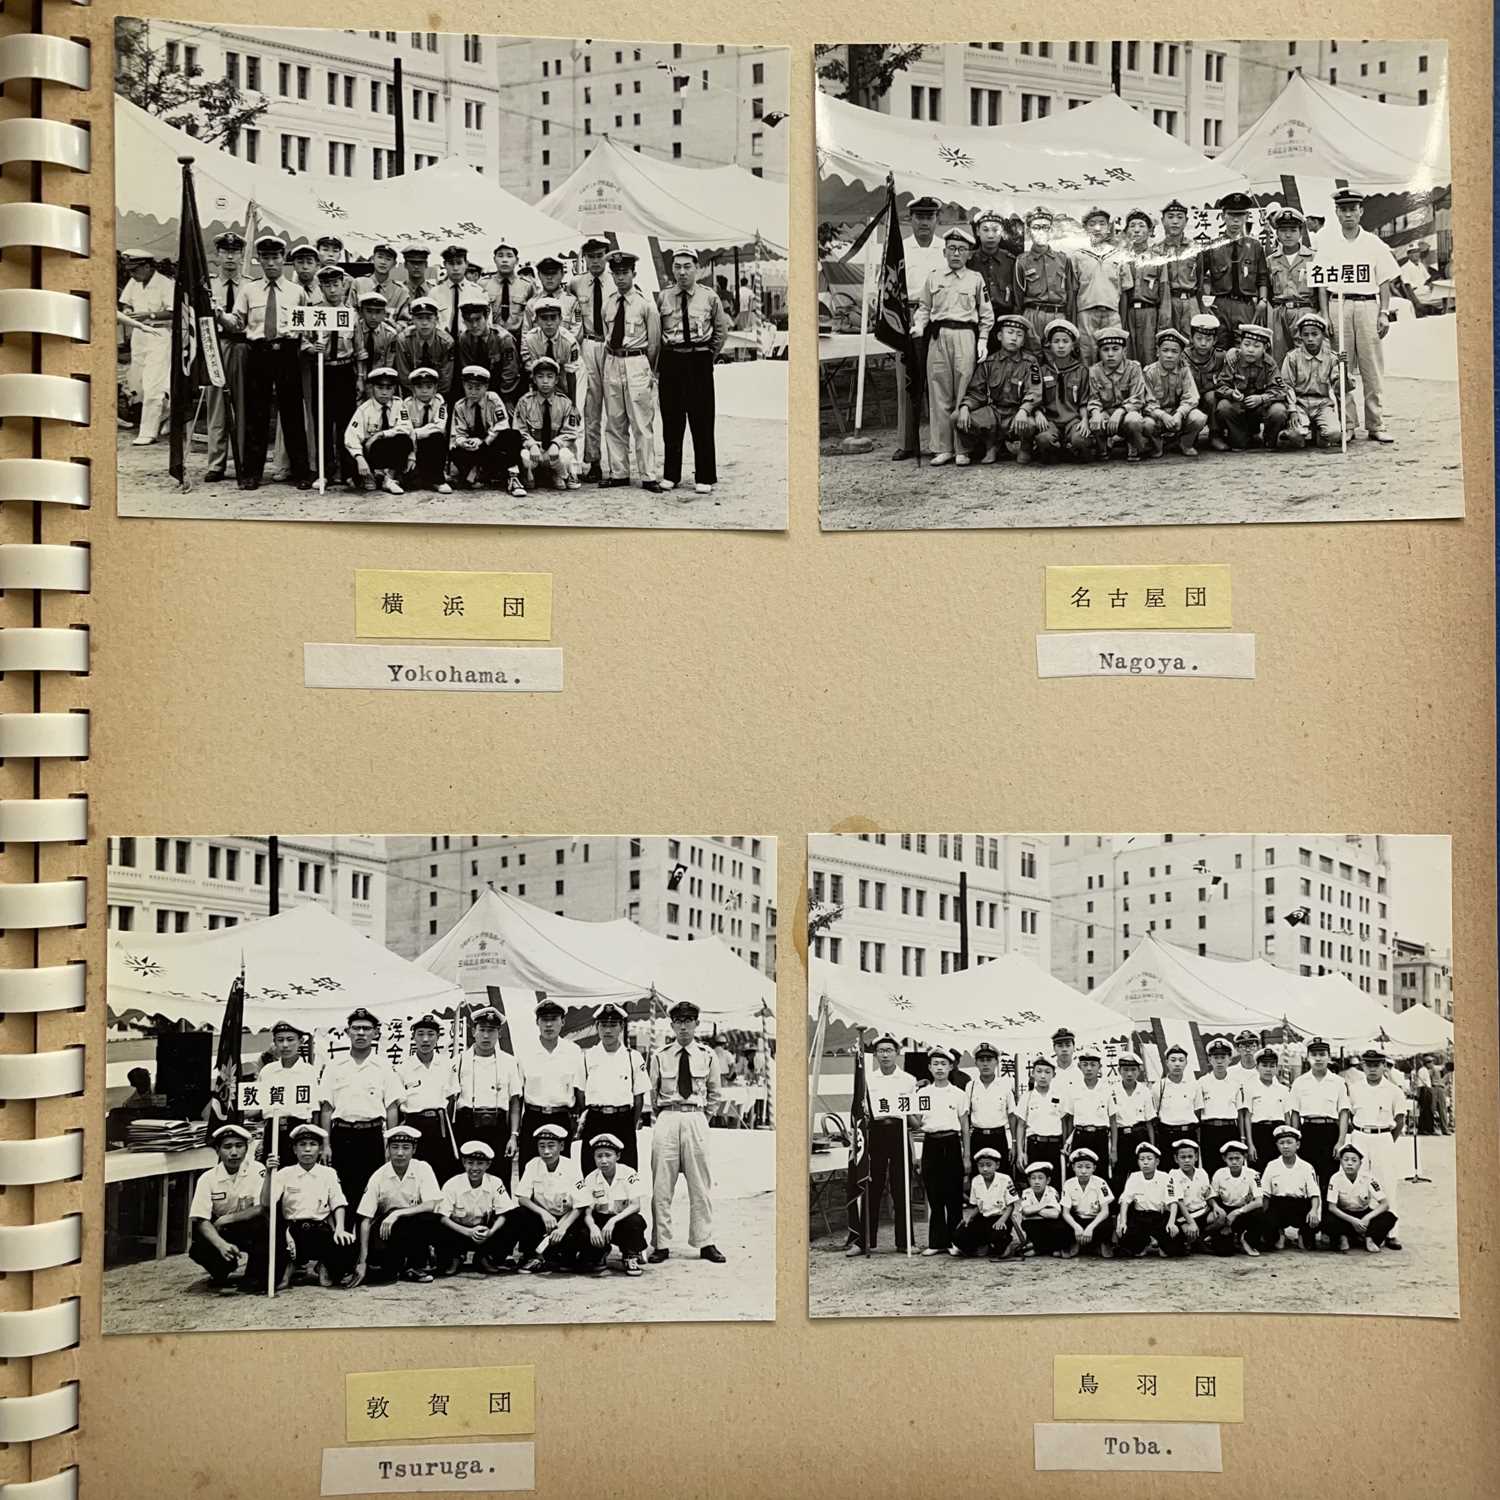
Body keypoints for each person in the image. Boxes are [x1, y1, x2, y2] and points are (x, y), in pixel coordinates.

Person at [1313, 186, 1401, 444]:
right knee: (1341, 367)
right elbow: (1321, 282)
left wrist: (1383, 312)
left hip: (1367, 306)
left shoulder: (1374, 243)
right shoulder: (1327, 243)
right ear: (1336, 213)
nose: (1348, 214)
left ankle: (1376, 423)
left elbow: (1384, 281)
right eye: (1343, 210)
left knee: (1371, 367)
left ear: (1361, 211)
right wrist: (1323, 313)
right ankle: (1347, 423)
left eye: (1353, 209)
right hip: (1338, 304)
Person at [229, 235, 311, 489]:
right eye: (266, 258)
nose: (271, 263)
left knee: (292, 414)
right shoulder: (249, 290)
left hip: (287, 352)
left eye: (276, 257)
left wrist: (308, 343)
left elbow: (306, 326)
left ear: (282, 260)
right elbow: (237, 323)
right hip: (258, 352)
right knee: (256, 413)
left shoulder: (297, 292)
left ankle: (301, 472)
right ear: (259, 260)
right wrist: (219, 314)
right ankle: (252, 473)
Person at [649, 998, 725, 1264]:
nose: (683, 1027)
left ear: (696, 1024)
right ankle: (661, 1244)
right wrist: (667, 1116)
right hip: (668, 1118)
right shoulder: (660, 1056)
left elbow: (715, 1093)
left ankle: (705, 1242)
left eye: (688, 1022)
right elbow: (652, 1092)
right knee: (661, 1185)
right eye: (678, 1022)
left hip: (695, 1118)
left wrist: (702, 1117)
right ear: (672, 1024)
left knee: (700, 1185)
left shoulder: (707, 1055)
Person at [911, 225, 993, 469]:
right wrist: (919, 326)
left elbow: (986, 313)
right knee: (938, 392)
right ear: (944, 252)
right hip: (939, 336)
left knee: (963, 392)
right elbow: (924, 307)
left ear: (969, 254)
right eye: (952, 249)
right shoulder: (934, 277)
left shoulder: (976, 279)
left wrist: (983, 339)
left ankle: (962, 448)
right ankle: (942, 448)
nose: (956, 254)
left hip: (965, 336)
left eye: (962, 249)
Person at [656, 248, 731, 495]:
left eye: (687, 266)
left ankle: (705, 476)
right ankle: (671, 475)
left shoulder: (709, 297)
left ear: (697, 269)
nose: (682, 272)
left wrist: (709, 355)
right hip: (672, 361)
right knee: (671, 420)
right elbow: (658, 331)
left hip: (699, 359)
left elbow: (720, 330)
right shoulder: (664, 298)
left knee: (702, 419)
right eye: (677, 267)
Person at [317, 1007, 402, 1213]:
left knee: (371, 1190)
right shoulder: (335, 1066)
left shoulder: (383, 1066)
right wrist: (326, 1144)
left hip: (371, 1136)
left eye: (366, 1028)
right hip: (342, 1135)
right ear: (347, 1032)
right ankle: (344, 1238)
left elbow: (391, 1108)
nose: (361, 1033)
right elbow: (326, 1108)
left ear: (375, 1033)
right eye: (356, 1028)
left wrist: (391, 1143)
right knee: (341, 1190)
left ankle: (367, 1240)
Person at [263, 1122, 357, 1290]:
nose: (307, 1149)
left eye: (313, 1144)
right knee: (269, 1270)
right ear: (294, 1149)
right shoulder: (284, 1173)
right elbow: (266, 1203)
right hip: (292, 1232)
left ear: (320, 1149)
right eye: (302, 1145)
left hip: (320, 1230)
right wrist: (269, 1174)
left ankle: (323, 1264)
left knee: (348, 1246)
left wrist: (340, 1228)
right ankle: (291, 1265)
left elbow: (338, 1202)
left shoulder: (328, 1173)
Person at [599, 250, 663, 492]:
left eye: (625, 272)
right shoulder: (609, 303)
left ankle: (648, 475)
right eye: (616, 273)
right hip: (613, 362)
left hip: (636, 361)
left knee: (641, 421)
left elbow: (654, 343)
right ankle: (619, 472)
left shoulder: (646, 305)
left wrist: (649, 371)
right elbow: (607, 332)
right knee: (615, 420)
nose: (620, 278)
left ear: (634, 273)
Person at [349, 1124, 442, 1286]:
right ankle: (393, 1264)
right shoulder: (379, 1176)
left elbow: (431, 1204)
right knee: (387, 1275)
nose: (400, 1153)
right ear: (388, 1150)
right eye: (395, 1147)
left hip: (411, 1223)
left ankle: (416, 1264)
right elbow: (365, 1219)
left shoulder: (422, 1168)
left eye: (406, 1147)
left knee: (429, 1217)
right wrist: (362, 1260)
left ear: (414, 1149)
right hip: (386, 1230)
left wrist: (397, 1213)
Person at [853, 1033, 919, 1256]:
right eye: (881, 1051)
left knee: (901, 1187)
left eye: (889, 1050)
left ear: (897, 1053)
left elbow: (914, 1116)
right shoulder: (868, 1079)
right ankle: (864, 1242)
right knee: (873, 1185)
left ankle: (906, 1241)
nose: (885, 1055)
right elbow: (862, 1109)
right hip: (877, 1133)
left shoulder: (908, 1080)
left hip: (899, 1131)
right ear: (876, 1054)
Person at [891, 195, 946, 460]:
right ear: (910, 219)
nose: (924, 222)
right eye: (919, 217)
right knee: (907, 383)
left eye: (929, 217)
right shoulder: (900, 249)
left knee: (938, 382)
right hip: (909, 315)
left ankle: (940, 443)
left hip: (938, 317)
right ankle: (907, 443)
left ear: (938, 219)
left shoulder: (947, 249)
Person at [187, 1123, 268, 1288]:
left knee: (263, 1227)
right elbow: (201, 1219)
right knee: (199, 1248)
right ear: (217, 1151)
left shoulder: (257, 1170)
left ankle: (254, 1274)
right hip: (222, 1231)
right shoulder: (207, 1178)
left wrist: (227, 1218)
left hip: (248, 1227)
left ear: (246, 1148)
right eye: (227, 1147)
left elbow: (261, 1207)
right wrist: (221, 1245)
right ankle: (222, 1270)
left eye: (239, 1146)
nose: (234, 1153)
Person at [956, 313, 1042, 465]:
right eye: (1010, 333)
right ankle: (991, 445)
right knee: (957, 417)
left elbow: (1034, 391)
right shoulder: (988, 362)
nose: (1014, 338)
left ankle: (1025, 447)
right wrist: (965, 407)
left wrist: (1024, 410)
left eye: (1019, 335)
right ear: (999, 336)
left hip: (1017, 412)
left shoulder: (1030, 362)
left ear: (1023, 341)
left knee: (1030, 424)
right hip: (994, 412)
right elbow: (976, 392)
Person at [557, 1133, 647, 1276]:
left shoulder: (628, 1173)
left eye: (608, 1155)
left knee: (635, 1221)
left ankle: (631, 1255)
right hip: (600, 1221)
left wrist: (613, 1220)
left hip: (620, 1221)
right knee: (585, 1233)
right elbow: (587, 1211)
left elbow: (636, 1205)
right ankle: (600, 1253)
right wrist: (593, 1228)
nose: (603, 1160)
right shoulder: (591, 1178)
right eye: (599, 1156)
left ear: (617, 1156)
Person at [306, 265, 361, 487]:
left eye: (336, 284)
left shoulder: (352, 313)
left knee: (346, 423)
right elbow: (303, 341)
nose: (332, 290)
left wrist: (360, 377)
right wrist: (312, 347)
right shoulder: (313, 311)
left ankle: (348, 472)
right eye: (327, 285)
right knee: (323, 422)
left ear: (343, 285)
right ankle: (324, 472)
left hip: (345, 370)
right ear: (320, 287)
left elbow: (359, 349)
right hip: (323, 369)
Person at [453, 1004, 523, 1177]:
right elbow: (450, 1103)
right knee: (467, 1177)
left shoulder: (509, 1062)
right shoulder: (458, 1061)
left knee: (499, 1176)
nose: (486, 1035)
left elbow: (515, 1102)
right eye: (482, 1029)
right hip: (467, 1126)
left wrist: (513, 1136)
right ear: (473, 1032)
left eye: (491, 1030)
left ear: (499, 1033)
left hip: (498, 1128)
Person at [1344, 1047, 1407, 1233]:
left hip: (1383, 1137)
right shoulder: (1354, 1089)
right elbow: (1348, 1116)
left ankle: (1391, 1233)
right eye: (1368, 1065)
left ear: (1384, 1066)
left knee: (1386, 1182)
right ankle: (1358, 1231)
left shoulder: (1394, 1091)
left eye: (1376, 1065)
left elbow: (1400, 1119)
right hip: (1360, 1136)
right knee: (1357, 1184)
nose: (1372, 1069)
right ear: (1362, 1066)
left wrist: (1386, 1139)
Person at [435, 1140, 520, 1275]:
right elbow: (443, 1218)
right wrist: (468, 1232)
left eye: (480, 1163)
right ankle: (455, 1257)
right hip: (458, 1232)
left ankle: (484, 1257)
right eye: (470, 1163)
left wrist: (491, 1232)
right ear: (463, 1163)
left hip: (484, 1233)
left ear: (488, 1164)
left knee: (514, 1217)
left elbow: (504, 1213)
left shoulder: (495, 1182)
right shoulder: (452, 1184)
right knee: (436, 1223)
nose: (474, 1168)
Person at [117, 251, 176, 448]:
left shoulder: (165, 284)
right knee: (137, 384)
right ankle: (168, 412)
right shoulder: (134, 282)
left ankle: (147, 432)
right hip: (139, 336)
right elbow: (126, 302)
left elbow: (173, 311)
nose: (132, 274)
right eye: (130, 271)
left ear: (148, 266)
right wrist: (127, 311)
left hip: (159, 335)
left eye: (135, 270)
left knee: (153, 385)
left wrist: (148, 316)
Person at [579, 1001, 645, 1173]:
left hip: (623, 1120)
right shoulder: (587, 1056)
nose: (608, 1030)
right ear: (597, 1026)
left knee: (627, 1170)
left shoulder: (633, 1058)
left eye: (613, 1025)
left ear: (621, 1026)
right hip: (595, 1120)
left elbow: (638, 1098)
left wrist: (629, 1122)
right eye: (603, 1025)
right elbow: (580, 1093)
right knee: (591, 1171)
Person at [518, 999, 585, 1168]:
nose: (549, 1025)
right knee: (529, 1168)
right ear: (537, 1022)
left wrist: (578, 1122)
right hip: (533, 1117)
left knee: (563, 1171)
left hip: (561, 1117)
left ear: (562, 1022)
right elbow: (517, 1094)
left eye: (554, 1019)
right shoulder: (525, 1050)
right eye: (544, 1020)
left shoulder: (573, 1051)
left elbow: (580, 1091)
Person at [914, 1047, 967, 1254]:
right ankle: (936, 1242)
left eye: (943, 1064)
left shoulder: (958, 1094)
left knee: (953, 1196)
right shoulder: (923, 1093)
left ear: (951, 1067)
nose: (939, 1068)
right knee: (934, 1195)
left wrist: (966, 1155)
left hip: (952, 1143)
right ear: (929, 1067)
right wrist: (905, 1110)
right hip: (931, 1144)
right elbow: (918, 1124)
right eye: (935, 1064)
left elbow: (964, 1127)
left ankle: (956, 1241)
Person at [568, 237, 613, 481]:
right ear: (584, 258)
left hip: (611, 346)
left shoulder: (616, 280)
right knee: (591, 407)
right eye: (591, 256)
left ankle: (618, 463)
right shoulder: (577, 284)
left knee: (616, 408)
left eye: (600, 255)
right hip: (588, 344)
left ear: (607, 255)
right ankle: (593, 461)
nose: (596, 261)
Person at [514, 1123, 585, 1273]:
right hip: (544, 1219)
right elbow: (522, 1197)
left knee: (565, 1260)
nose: (546, 1151)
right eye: (542, 1146)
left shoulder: (572, 1166)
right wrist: (543, 1213)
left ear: (561, 1146)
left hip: (567, 1219)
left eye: (551, 1146)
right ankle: (531, 1256)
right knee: (520, 1214)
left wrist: (563, 1227)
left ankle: (560, 1256)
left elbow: (581, 1204)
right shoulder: (533, 1165)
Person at [204, 231, 246, 480]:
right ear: (217, 255)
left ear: (242, 256)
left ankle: (242, 461)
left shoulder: (251, 285)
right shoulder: (208, 285)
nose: (230, 256)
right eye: (225, 252)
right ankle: (216, 464)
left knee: (242, 405)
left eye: (235, 252)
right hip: (216, 345)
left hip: (241, 346)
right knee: (216, 405)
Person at [1202, 192, 1270, 348]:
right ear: (1223, 216)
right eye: (1231, 215)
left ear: (1246, 217)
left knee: (1245, 349)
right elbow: (1200, 278)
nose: (1235, 220)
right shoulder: (1213, 247)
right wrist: (1204, 304)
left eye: (1240, 215)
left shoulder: (1255, 246)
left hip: (1245, 305)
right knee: (1218, 349)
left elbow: (1262, 277)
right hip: (1219, 304)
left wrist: (1263, 301)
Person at [397, 1015, 458, 1181]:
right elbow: (398, 1104)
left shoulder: (446, 1065)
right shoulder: (403, 1068)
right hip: (414, 1125)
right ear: (413, 1037)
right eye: (420, 1034)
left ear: (438, 1037)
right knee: (416, 1173)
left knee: (443, 1172)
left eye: (431, 1034)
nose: (425, 1039)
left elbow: (451, 1098)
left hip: (440, 1126)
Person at [450, 365, 526, 496]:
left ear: (486, 387)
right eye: (469, 387)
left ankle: (512, 476)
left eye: (478, 388)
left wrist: (484, 441)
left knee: (511, 435)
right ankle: (482, 472)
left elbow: (502, 423)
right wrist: (465, 443)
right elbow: (458, 434)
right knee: (456, 452)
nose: (473, 392)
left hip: (490, 444)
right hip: (474, 449)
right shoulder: (460, 406)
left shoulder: (493, 399)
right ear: (463, 386)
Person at [1280, 311, 1350, 451]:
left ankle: (1318, 433)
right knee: (1296, 436)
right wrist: (1292, 410)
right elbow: (1286, 385)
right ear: (1300, 336)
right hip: (1300, 403)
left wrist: (1344, 369)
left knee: (1334, 434)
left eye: (1315, 334)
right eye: (1305, 335)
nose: (1310, 339)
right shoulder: (1292, 357)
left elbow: (1341, 388)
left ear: (1323, 336)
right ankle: (1298, 432)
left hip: (1322, 404)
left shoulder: (1331, 358)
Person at [1288, 1036, 1349, 1195]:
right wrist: (1296, 1138)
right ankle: (1310, 1214)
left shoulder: (1338, 1082)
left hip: (1330, 1131)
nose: (1319, 1058)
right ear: (1307, 1058)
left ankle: (1328, 1216)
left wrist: (1341, 1140)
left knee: (1330, 1177)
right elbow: (1295, 1113)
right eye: (1314, 1054)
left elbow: (1343, 1112)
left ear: (1329, 1057)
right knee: (1308, 1175)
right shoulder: (1300, 1082)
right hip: (1307, 1131)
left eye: (1322, 1054)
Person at [1215, 324, 1291, 450]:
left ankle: (1269, 439)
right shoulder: (1233, 361)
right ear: (1240, 345)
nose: (1250, 349)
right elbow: (1220, 385)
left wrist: (1262, 398)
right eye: (1246, 344)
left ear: (1265, 348)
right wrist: (1231, 393)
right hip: (1239, 406)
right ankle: (1240, 438)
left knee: (1279, 411)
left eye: (1256, 346)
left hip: (1262, 407)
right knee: (1223, 406)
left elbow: (1281, 390)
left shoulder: (1269, 364)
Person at [513, 356, 582, 492]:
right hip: (535, 452)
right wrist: (531, 444)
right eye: (540, 376)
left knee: (565, 456)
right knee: (524, 456)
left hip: (554, 453)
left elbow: (571, 432)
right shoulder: (525, 402)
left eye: (550, 377)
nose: (545, 381)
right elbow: (519, 429)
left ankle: (559, 474)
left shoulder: (565, 403)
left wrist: (556, 444)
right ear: (534, 379)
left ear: (556, 380)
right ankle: (530, 475)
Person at [1070, 207, 1128, 366]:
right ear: (1085, 228)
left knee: (1113, 356)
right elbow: (1073, 291)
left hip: (1112, 313)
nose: (1097, 228)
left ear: (1109, 228)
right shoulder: (1077, 255)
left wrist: (1122, 318)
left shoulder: (1119, 254)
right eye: (1092, 224)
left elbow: (1124, 292)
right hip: (1086, 312)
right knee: (1087, 355)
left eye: (1102, 224)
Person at [343, 366, 414, 495]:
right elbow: (351, 436)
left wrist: (380, 434)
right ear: (372, 389)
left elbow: (406, 428)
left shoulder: (399, 405)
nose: (384, 392)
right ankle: (369, 476)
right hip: (370, 453)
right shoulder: (364, 409)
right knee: (351, 454)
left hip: (385, 449)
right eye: (380, 388)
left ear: (394, 389)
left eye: (389, 388)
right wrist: (360, 459)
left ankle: (389, 478)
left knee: (404, 440)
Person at [1014, 207, 1077, 352]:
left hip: (1058, 315)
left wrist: (1070, 321)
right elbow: (1018, 298)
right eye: (1036, 227)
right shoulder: (1022, 261)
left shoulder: (1063, 259)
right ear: (1029, 231)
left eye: (1045, 227)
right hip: (1032, 314)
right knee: (1032, 356)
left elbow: (1070, 292)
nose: (1041, 231)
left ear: (1051, 231)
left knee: (1057, 357)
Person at [1085, 326, 1151, 463]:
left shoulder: (1134, 368)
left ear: (1124, 351)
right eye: (1105, 349)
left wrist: (1120, 411)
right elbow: (1093, 399)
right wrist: (1096, 412)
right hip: (1106, 415)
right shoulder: (1094, 371)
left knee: (1134, 419)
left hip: (1127, 414)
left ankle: (1133, 445)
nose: (1110, 354)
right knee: (1095, 417)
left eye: (1115, 349)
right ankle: (1103, 448)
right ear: (1099, 352)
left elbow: (1138, 398)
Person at [1031, 319, 1093, 462]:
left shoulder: (1081, 371)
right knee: (1044, 439)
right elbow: (1035, 396)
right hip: (1051, 420)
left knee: (1081, 440)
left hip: (1073, 420)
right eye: (1056, 341)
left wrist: (1084, 420)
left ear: (1072, 346)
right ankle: (1059, 451)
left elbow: (1084, 401)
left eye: (1065, 341)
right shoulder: (1042, 370)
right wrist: (1038, 412)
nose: (1060, 346)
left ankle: (1071, 448)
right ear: (1049, 345)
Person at [256, 1019, 318, 1155]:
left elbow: (315, 1110)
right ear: (274, 1042)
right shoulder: (267, 1071)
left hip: (300, 1130)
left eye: (290, 1040)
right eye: (280, 1040)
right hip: (272, 1129)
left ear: (301, 1041)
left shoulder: (309, 1072)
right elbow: (257, 1106)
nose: (285, 1045)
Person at [1142, 328, 1207, 457]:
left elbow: (1191, 397)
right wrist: (1162, 415)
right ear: (1157, 352)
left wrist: (1179, 414)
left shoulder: (1184, 371)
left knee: (1198, 417)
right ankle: (1157, 446)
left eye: (1174, 351)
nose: (1169, 355)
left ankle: (1185, 444)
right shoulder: (1149, 372)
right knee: (1146, 424)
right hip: (1158, 418)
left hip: (1179, 418)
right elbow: (1146, 403)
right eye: (1165, 350)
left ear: (1181, 355)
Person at [1324, 1143, 1400, 1253]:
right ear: (1341, 1162)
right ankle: (1343, 1237)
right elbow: (1332, 1207)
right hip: (1345, 1216)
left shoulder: (1368, 1178)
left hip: (1363, 1214)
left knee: (1389, 1217)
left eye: (1354, 1160)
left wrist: (1367, 1218)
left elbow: (1384, 1204)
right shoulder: (1335, 1178)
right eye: (1346, 1160)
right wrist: (1353, 1221)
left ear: (1360, 1164)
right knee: (1326, 1218)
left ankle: (1370, 1238)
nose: (1349, 1163)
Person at [1257, 1123, 1321, 1251]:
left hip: (1299, 1206)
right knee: (1271, 1241)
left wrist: (1314, 1211)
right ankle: (1279, 1234)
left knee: (1307, 1246)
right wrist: (1263, 1217)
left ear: (1297, 1145)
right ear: (1277, 1146)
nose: (1285, 1146)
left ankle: (1303, 1234)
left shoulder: (1306, 1167)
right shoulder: (1272, 1165)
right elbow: (1265, 1194)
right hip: (1278, 1205)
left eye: (1289, 1142)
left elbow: (1314, 1193)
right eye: (1281, 1143)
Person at [1266, 207, 1318, 362]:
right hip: (1279, 313)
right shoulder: (1271, 260)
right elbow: (1268, 290)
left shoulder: (1313, 258)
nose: (1288, 235)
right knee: (1280, 357)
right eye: (1283, 230)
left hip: (1305, 310)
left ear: (1300, 232)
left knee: (1306, 356)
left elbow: (1321, 290)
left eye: (1293, 230)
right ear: (1277, 233)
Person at [454, 295, 523, 410]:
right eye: (469, 321)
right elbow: (466, 369)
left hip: (503, 392)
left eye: (478, 319)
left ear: (486, 317)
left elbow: (510, 374)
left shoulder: (503, 339)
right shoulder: (464, 339)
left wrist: (501, 398)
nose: (474, 325)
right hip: (475, 391)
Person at [950, 1146, 1020, 1258]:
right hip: (983, 1218)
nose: (985, 1169)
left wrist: (1002, 1220)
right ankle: (984, 1246)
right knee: (957, 1236)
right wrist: (969, 1217)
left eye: (989, 1165)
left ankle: (1006, 1243)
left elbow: (1011, 1205)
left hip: (1001, 1217)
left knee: (998, 1239)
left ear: (997, 1165)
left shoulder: (1005, 1179)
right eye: (981, 1165)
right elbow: (977, 1206)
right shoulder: (976, 1181)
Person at [1196, 1035, 1250, 1174]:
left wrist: (1242, 1137)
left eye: (1223, 1057)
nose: (1219, 1061)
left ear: (1230, 1059)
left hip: (1230, 1130)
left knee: (1232, 1168)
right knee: (1211, 1168)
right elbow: (1197, 1112)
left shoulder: (1236, 1083)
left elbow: (1240, 1113)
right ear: (1209, 1059)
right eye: (1215, 1057)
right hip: (1209, 1130)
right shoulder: (1202, 1082)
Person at [970, 208, 1021, 345]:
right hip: (976, 320)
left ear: (1002, 232)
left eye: (995, 230)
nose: (990, 235)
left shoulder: (1011, 261)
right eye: (985, 230)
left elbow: (1017, 296)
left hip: (1003, 321)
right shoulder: (969, 261)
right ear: (977, 232)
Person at [962, 1041, 1013, 1177]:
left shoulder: (1005, 1085)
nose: (985, 1064)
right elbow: (965, 1119)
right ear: (976, 1063)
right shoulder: (970, 1086)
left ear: (996, 1062)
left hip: (999, 1137)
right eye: (981, 1060)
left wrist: (1013, 1143)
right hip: (977, 1138)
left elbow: (1012, 1116)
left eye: (989, 1060)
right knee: (978, 1179)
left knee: (1002, 1178)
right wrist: (966, 1153)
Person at [1154, 198, 1204, 337]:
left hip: (1191, 302)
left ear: (1186, 221)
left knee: (1192, 342)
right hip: (1167, 303)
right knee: (1168, 340)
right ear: (1163, 220)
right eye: (1170, 217)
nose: (1175, 221)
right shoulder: (1156, 250)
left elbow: (1200, 281)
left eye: (1179, 217)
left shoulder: (1194, 248)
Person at [1108, 1051, 1154, 1197]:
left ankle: (1139, 1206)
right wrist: (1113, 1148)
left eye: (1133, 1070)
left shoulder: (1144, 1091)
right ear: (1119, 1071)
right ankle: (1118, 1212)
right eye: (1126, 1070)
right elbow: (1113, 1121)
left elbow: (1149, 1122)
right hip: (1121, 1137)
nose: (1129, 1074)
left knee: (1140, 1173)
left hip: (1140, 1135)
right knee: (1119, 1176)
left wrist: (1151, 1147)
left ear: (1139, 1071)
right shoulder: (1112, 1090)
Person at [1206, 1140, 1264, 1256]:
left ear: (1244, 1157)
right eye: (1230, 1159)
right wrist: (1216, 1207)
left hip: (1244, 1211)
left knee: (1259, 1215)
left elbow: (1259, 1201)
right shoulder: (1219, 1174)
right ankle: (1223, 1235)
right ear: (1224, 1159)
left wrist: (1237, 1212)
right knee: (1224, 1251)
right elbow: (1211, 1196)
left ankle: (1245, 1238)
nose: (1234, 1162)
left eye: (1238, 1158)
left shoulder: (1253, 1174)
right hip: (1226, 1210)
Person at [1114, 1140, 1171, 1258]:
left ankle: (1159, 1241)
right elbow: (1125, 1200)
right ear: (1138, 1162)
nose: (1145, 1162)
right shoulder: (1134, 1177)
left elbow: (1172, 1201)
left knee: (1173, 1250)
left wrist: (1169, 1217)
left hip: (1159, 1218)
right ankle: (1146, 1241)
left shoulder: (1165, 1177)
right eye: (1142, 1159)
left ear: (1157, 1162)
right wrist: (1123, 1222)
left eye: (1149, 1159)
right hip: (1140, 1217)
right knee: (1126, 1250)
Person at [1120, 208, 1164, 360]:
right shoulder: (1121, 257)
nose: (1137, 230)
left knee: (1149, 355)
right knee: (1128, 357)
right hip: (1128, 312)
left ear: (1150, 231)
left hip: (1150, 313)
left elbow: (1164, 293)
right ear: (1126, 231)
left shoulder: (1158, 258)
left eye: (1141, 226)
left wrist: (1162, 322)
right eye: (1132, 226)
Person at [1062, 1046, 1112, 1180]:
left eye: (1093, 1065)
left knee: (1101, 1175)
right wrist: (1066, 1143)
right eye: (1085, 1064)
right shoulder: (1074, 1089)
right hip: (1080, 1136)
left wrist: (1113, 1149)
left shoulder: (1107, 1088)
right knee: (1078, 1174)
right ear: (1079, 1066)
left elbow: (1112, 1120)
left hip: (1101, 1136)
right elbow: (1068, 1118)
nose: (1089, 1068)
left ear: (1099, 1067)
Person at [1013, 1056, 1066, 1182]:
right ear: (1033, 1074)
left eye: (1047, 1072)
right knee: (1035, 1184)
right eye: (1039, 1071)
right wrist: (1020, 1152)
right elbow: (1020, 1125)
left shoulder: (1060, 1095)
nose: (1043, 1076)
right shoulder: (1027, 1097)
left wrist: (1064, 1147)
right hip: (1034, 1146)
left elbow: (1064, 1123)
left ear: (1054, 1074)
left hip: (1054, 1146)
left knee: (1055, 1184)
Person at [1164, 1137, 1220, 1255]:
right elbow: (1179, 1201)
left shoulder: (1202, 1173)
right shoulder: (1173, 1174)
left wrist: (1215, 1206)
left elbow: (1208, 1194)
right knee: (1179, 1245)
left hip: (1202, 1212)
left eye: (1190, 1157)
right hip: (1184, 1215)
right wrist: (1191, 1222)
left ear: (1196, 1157)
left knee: (1221, 1215)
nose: (1187, 1160)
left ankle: (1198, 1239)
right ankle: (1192, 1240)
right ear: (1176, 1159)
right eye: (1183, 1157)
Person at [401, 366, 452, 492]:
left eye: (429, 387)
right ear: (413, 389)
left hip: (432, 447)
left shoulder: (440, 402)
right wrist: (417, 434)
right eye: (419, 387)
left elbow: (439, 427)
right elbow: (405, 430)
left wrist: (416, 432)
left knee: (437, 437)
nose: (424, 391)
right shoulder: (406, 404)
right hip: (413, 448)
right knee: (413, 484)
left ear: (435, 389)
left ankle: (438, 480)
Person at [519, 299, 580, 400]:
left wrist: (573, 404)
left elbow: (571, 375)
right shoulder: (531, 339)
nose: (549, 323)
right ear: (536, 320)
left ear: (560, 319)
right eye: (544, 318)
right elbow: (535, 372)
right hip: (542, 380)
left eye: (553, 318)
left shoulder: (569, 341)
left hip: (565, 377)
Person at [1184, 312, 1229, 452]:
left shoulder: (1221, 357)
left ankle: (1215, 434)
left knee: (1212, 396)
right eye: (1199, 338)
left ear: (1215, 340)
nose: (1203, 343)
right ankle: (1186, 435)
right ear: (1191, 338)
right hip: (1187, 402)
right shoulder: (1182, 357)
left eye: (1208, 339)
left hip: (1210, 403)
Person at [1059, 1146, 1114, 1258]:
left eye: (1088, 1167)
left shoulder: (1100, 1183)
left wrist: (1090, 1228)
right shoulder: (1068, 1184)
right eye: (1079, 1167)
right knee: (1061, 1224)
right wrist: (1076, 1227)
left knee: (1107, 1224)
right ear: (1073, 1167)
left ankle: (1099, 1244)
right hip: (1078, 1219)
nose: (1083, 1171)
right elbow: (1066, 1213)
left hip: (1095, 1219)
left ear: (1094, 1168)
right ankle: (1075, 1243)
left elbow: (1105, 1211)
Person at [1244, 1046, 1293, 1169]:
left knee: (1279, 1170)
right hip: (1259, 1132)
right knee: (1258, 1169)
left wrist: (1287, 1141)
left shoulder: (1283, 1090)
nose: (1268, 1069)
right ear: (1257, 1067)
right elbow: (1247, 1117)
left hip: (1278, 1133)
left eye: (1272, 1066)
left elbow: (1287, 1117)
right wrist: (1250, 1144)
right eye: (1264, 1065)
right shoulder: (1250, 1088)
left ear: (1277, 1068)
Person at [393, 296, 455, 392]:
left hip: (438, 393)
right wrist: (419, 394)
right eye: (419, 318)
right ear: (413, 319)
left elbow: (445, 378)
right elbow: (404, 375)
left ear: (436, 319)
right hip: (411, 392)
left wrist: (431, 395)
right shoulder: (404, 340)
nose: (424, 323)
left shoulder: (446, 342)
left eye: (429, 318)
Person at [1153, 1043, 1201, 1149]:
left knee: (1189, 1165)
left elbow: (1197, 1112)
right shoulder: (1158, 1086)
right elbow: (1155, 1111)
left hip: (1189, 1134)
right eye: (1173, 1060)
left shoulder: (1194, 1085)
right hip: (1167, 1135)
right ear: (1166, 1062)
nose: (1177, 1064)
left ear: (1186, 1063)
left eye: (1181, 1060)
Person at [1016, 1161, 1068, 1257]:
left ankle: (1039, 1248)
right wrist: (1046, 1204)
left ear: (1047, 1180)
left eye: (1040, 1178)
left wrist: (1034, 1211)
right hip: (1035, 1223)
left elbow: (1055, 1214)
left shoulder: (1052, 1191)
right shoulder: (1027, 1192)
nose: (1036, 1182)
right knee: (1028, 1224)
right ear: (1029, 1180)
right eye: (1033, 1178)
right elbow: (1026, 1211)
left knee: (1059, 1226)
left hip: (1049, 1223)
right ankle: (1041, 1248)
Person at [354, 291, 402, 392]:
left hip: (379, 380)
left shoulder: (390, 334)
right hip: (355, 377)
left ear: (384, 313)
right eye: (369, 311)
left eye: (378, 312)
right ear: (361, 312)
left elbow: (389, 363)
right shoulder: (354, 331)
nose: (373, 317)